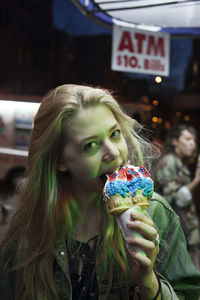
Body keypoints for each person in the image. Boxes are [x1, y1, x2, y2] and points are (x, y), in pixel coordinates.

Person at [0, 84, 200, 300]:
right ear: (60, 161)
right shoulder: (29, 228)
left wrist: (149, 283)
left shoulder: (158, 215)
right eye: (91, 145)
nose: (113, 153)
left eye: (115, 134)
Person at [154, 124, 200, 270]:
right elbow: (175, 201)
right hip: (182, 234)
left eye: (194, 140)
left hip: (188, 231)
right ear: (175, 141)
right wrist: (197, 179)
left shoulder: (180, 163)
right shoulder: (170, 162)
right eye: (187, 139)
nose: (192, 144)